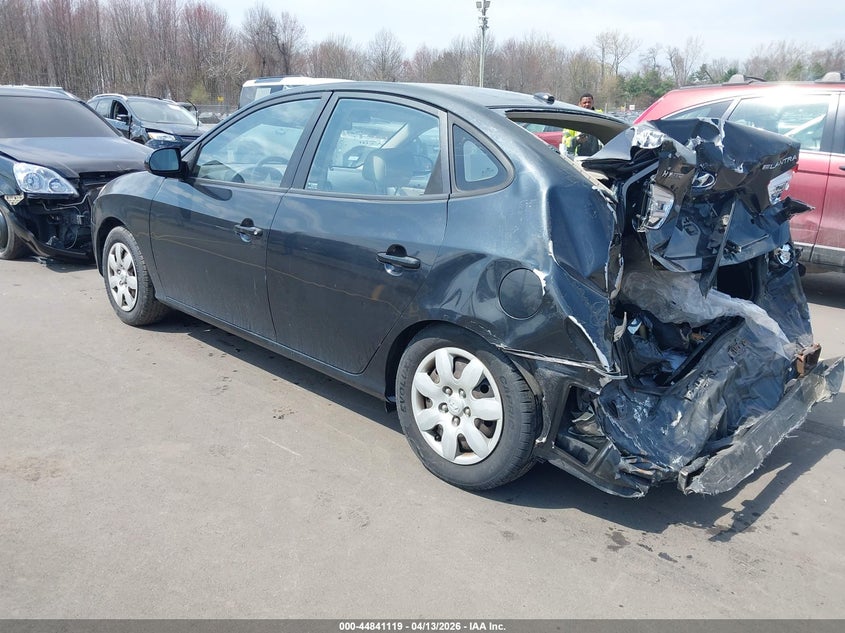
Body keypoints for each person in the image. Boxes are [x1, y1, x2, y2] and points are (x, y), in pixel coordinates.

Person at [562, 92, 602, 157]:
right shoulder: (573, 119)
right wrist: (576, 140)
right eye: (584, 102)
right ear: (580, 104)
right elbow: (565, 140)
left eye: (589, 102)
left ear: (593, 103)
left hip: (598, 156)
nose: (587, 104)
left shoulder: (600, 116)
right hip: (579, 157)